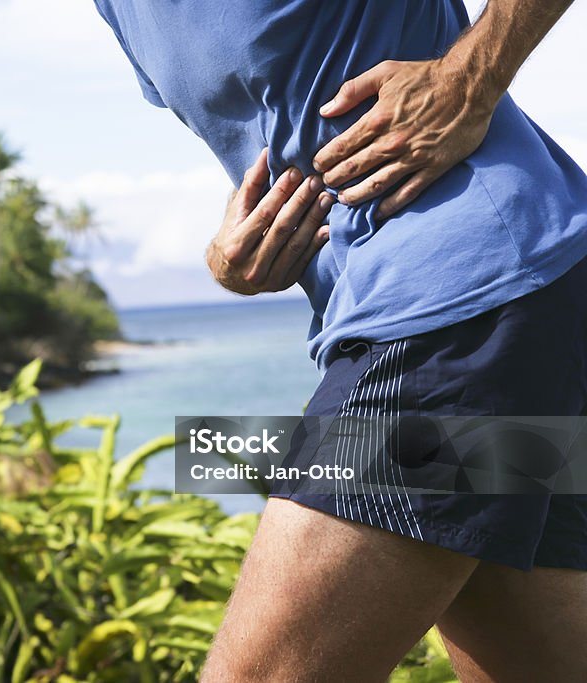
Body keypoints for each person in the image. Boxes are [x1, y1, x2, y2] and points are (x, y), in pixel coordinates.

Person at [93, 1, 587, 680]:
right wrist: (227, 259)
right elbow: (270, 118)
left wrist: (473, 73)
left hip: (460, 297)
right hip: (484, 307)